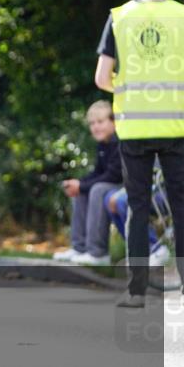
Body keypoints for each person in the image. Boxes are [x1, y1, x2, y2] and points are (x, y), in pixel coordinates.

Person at [95, 0, 184, 307]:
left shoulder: (120, 18)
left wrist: (134, 91)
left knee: (137, 206)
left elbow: (102, 78)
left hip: (133, 129)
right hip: (177, 126)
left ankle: (135, 291)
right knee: (181, 205)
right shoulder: (182, 17)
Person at [53, 100, 122, 265]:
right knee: (80, 192)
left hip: (123, 185)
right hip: (110, 183)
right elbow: (98, 172)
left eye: (100, 122)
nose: (96, 127)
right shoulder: (103, 145)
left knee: (96, 190)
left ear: (113, 122)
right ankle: (79, 248)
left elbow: (113, 175)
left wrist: (83, 185)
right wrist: (79, 183)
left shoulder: (120, 142)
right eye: (92, 123)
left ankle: (98, 253)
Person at [104, 184, 170, 266]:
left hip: (161, 189)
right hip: (141, 186)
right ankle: (136, 252)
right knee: (109, 199)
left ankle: (155, 249)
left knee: (122, 202)